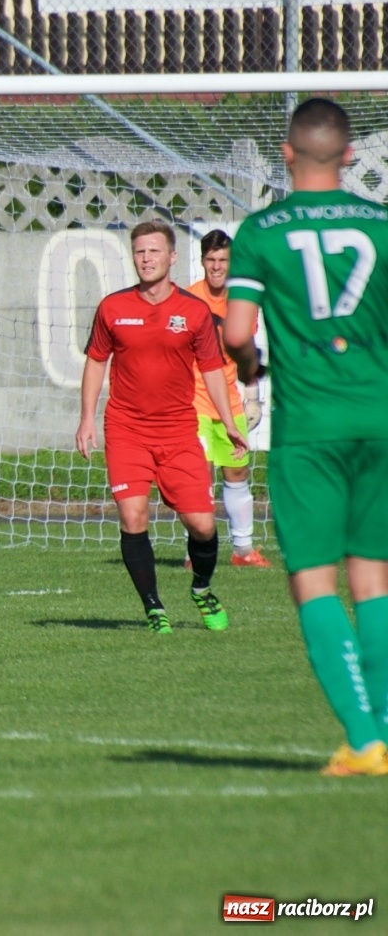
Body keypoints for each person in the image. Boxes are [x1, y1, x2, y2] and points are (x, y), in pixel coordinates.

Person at [223, 97, 388, 776]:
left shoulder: (261, 231)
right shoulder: (380, 224)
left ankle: (362, 739)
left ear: (287, 154)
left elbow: (236, 333)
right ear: (350, 156)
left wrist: (253, 365)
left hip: (310, 429)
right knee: (374, 579)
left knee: (316, 580)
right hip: (379, 419)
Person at [76, 220, 247, 634]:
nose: (147, 258)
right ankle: (154, 608)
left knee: (203, 525)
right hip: (127, 429)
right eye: (140, 252)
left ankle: (202, 588)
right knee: (133, 517)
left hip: (176, 431)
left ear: (172, 257)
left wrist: (228, 423)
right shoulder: (113, 308)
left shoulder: (193, 312)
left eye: (154, 251)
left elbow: (211, 372)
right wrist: (85, 418)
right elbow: (97, 361)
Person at [184, 228, 270, 567]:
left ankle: (243, 551)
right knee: (197, 476)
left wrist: (253, 396)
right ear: (202, 261)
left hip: (230, 402)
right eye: (211, 260)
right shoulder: (188, 300)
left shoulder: (241, 302)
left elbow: (245, 351)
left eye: (223, 260)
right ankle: (196, 553)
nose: (217, 266)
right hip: (194, 402)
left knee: (236, 473)